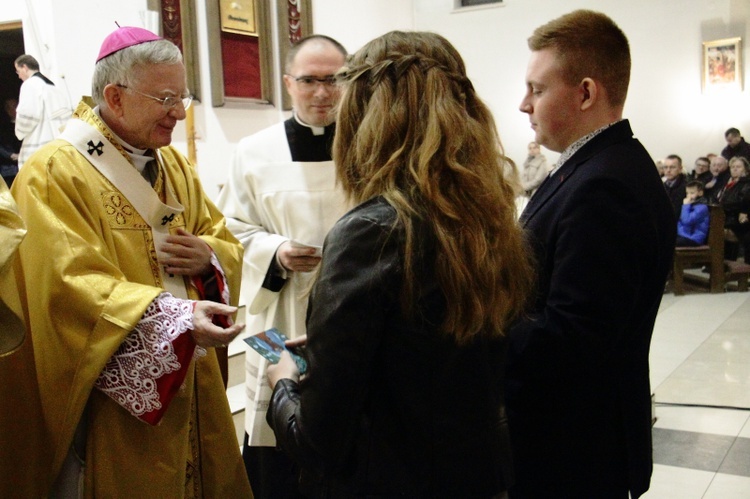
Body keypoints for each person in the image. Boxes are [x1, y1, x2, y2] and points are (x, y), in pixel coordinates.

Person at [264, 30, 534, 497]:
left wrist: (283, 385)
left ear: (368, 118)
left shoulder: (373, 231)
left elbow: (319, 441)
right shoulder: (488, 216)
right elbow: (442, 354)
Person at [9, 27, 252, 497]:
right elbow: (63, 288)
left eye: (182, 97)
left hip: (192, 384)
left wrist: (209, 261)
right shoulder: (55, 172)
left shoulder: (175, 167)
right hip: (113, 411)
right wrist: (176, 320)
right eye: (165, 98)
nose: (179, 113)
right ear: (115, 97)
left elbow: (220, 238)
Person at [509, 10, 675, 498]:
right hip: (571, 442)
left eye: (536, 89)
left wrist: (467, 320)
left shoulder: (605, 185)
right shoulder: (592, 167)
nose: (524, 104)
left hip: (573, 452)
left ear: (585, 92)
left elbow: (571, 341)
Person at [215, 34, 348, 497]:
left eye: (334, 81)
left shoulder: (369, 144)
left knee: (341, 422)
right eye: (310, 80)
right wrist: (275, 251)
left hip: (349, 310)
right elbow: (229, 231)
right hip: (275, 311)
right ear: (289, 83)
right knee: (271, 423)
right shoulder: (253, 151)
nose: (322, 93)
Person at [13, 54, 72, 169]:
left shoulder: (30, 85)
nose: (19, 76)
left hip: (39, 147)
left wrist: (19, 131)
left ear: (25, 67)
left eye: (18, 71)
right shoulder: (53, 87)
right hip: (57, 145)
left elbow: (28, 115)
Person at [717, 156, 750, 261]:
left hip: (738, 221)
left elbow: (741, 202)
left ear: (746, 169)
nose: (735, 169)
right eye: (733, 167)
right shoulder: (729, 184)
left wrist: (723, 206)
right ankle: (719, 264)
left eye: (738, 167)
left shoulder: (746, 184)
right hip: (727, 217)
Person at [676, 180, 710, 247]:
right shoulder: (690, 205)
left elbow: (687, 221)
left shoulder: (702, 207)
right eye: (687, 193)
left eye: (692, 193)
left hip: (694, 238)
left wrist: (685, 206)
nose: (688, 196)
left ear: (700, 193)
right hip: (683, 235)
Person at [663, 154, 687, 218]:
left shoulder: (686, 186)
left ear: (680, 169)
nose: (668, 170)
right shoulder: (662, 186)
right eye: (665, 167)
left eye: (672, 167)